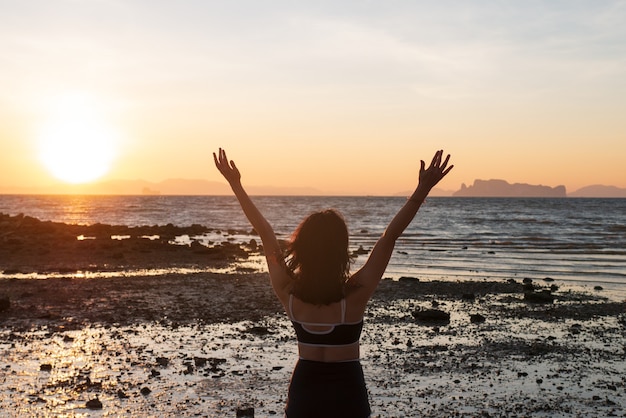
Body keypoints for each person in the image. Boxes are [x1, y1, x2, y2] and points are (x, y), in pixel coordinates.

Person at [213, 148, 453, 417]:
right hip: (347, 392)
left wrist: (236, 185)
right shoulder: (355, 295)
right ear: (341, 251)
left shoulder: (287, 292)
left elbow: (265, 233)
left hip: (305, 390)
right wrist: (422, 189)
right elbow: (389, 237)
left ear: (301, 248)